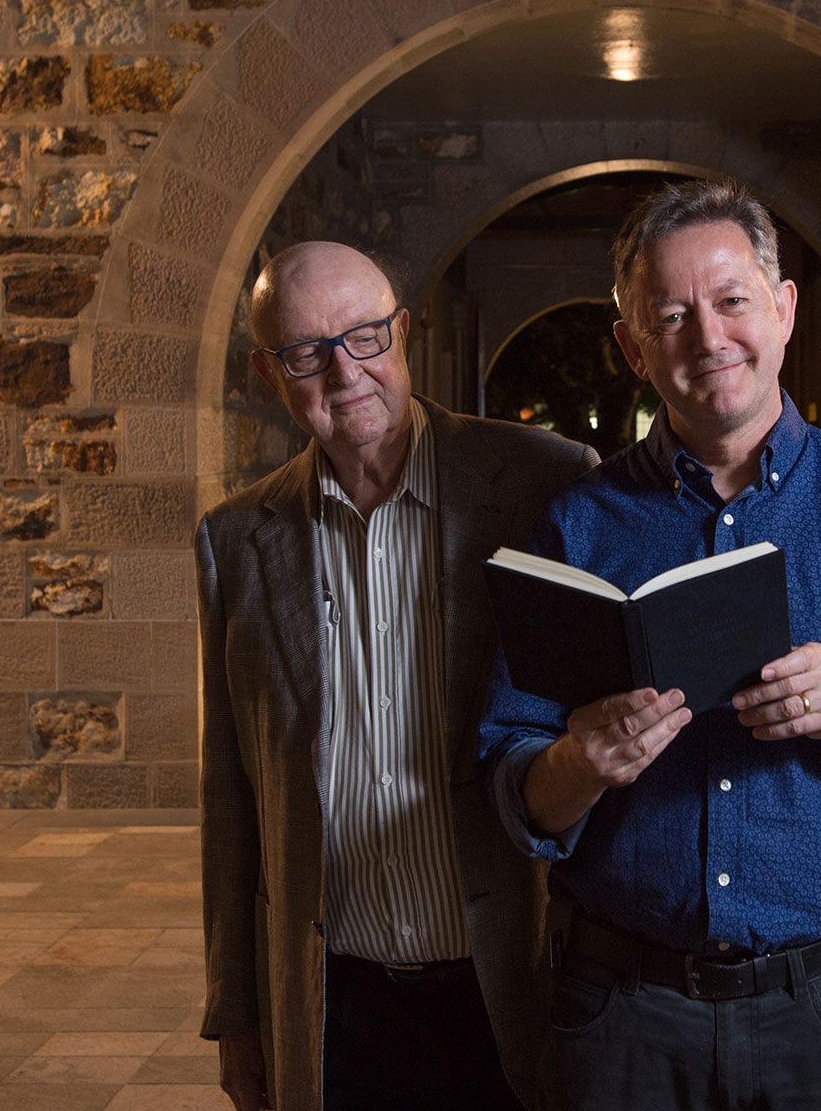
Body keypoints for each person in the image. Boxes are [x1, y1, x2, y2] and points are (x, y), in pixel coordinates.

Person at [479, 179, 821, 1111]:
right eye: (672, 315)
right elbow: (507, 776)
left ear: (784, 309)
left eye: (731, 301)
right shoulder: (576, 524)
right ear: (632, 347)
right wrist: (581, 759)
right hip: (620, 1020)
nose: (708, 337)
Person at [196, 241, 598, 1111]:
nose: (344, 372)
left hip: (517, 984)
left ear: (403, 334)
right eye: (308, 352)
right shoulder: (234, 541)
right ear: (272, 374)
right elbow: (231, 794)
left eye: (365, 337)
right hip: (335, 1005)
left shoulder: (543, 483)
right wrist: (236, 1011)